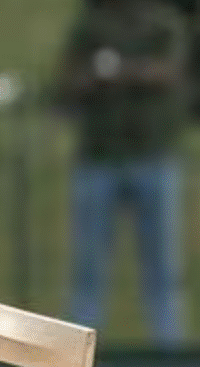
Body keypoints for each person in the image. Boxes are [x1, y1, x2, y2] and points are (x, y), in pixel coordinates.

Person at [55, 0, 189, 345]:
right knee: (88, 268)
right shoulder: (89, 25)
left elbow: (169, 72)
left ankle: (168, 348)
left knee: (162, 268)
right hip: (98, 157)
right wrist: (95, 76)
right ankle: (76, 349)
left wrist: (119, 71)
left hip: (152, 155)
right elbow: (68, 82)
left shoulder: (163, 23)